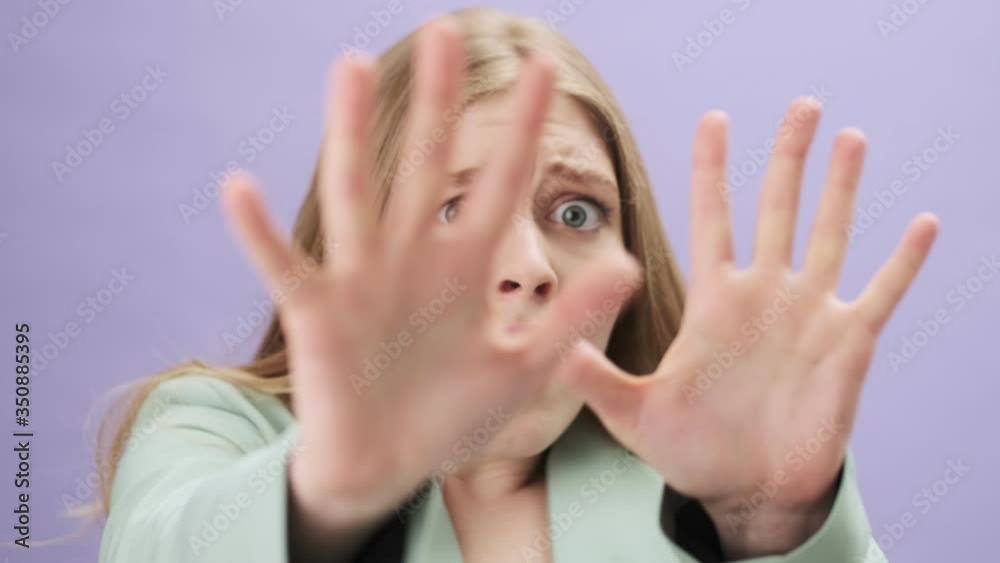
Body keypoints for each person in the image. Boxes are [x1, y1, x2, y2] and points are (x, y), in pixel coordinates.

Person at [95, 7, 937, 563]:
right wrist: (325, 490)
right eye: (454, 207)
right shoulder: (211, 427)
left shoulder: (699, 485)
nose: (530, 268)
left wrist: (773, 523)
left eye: (576, 213)